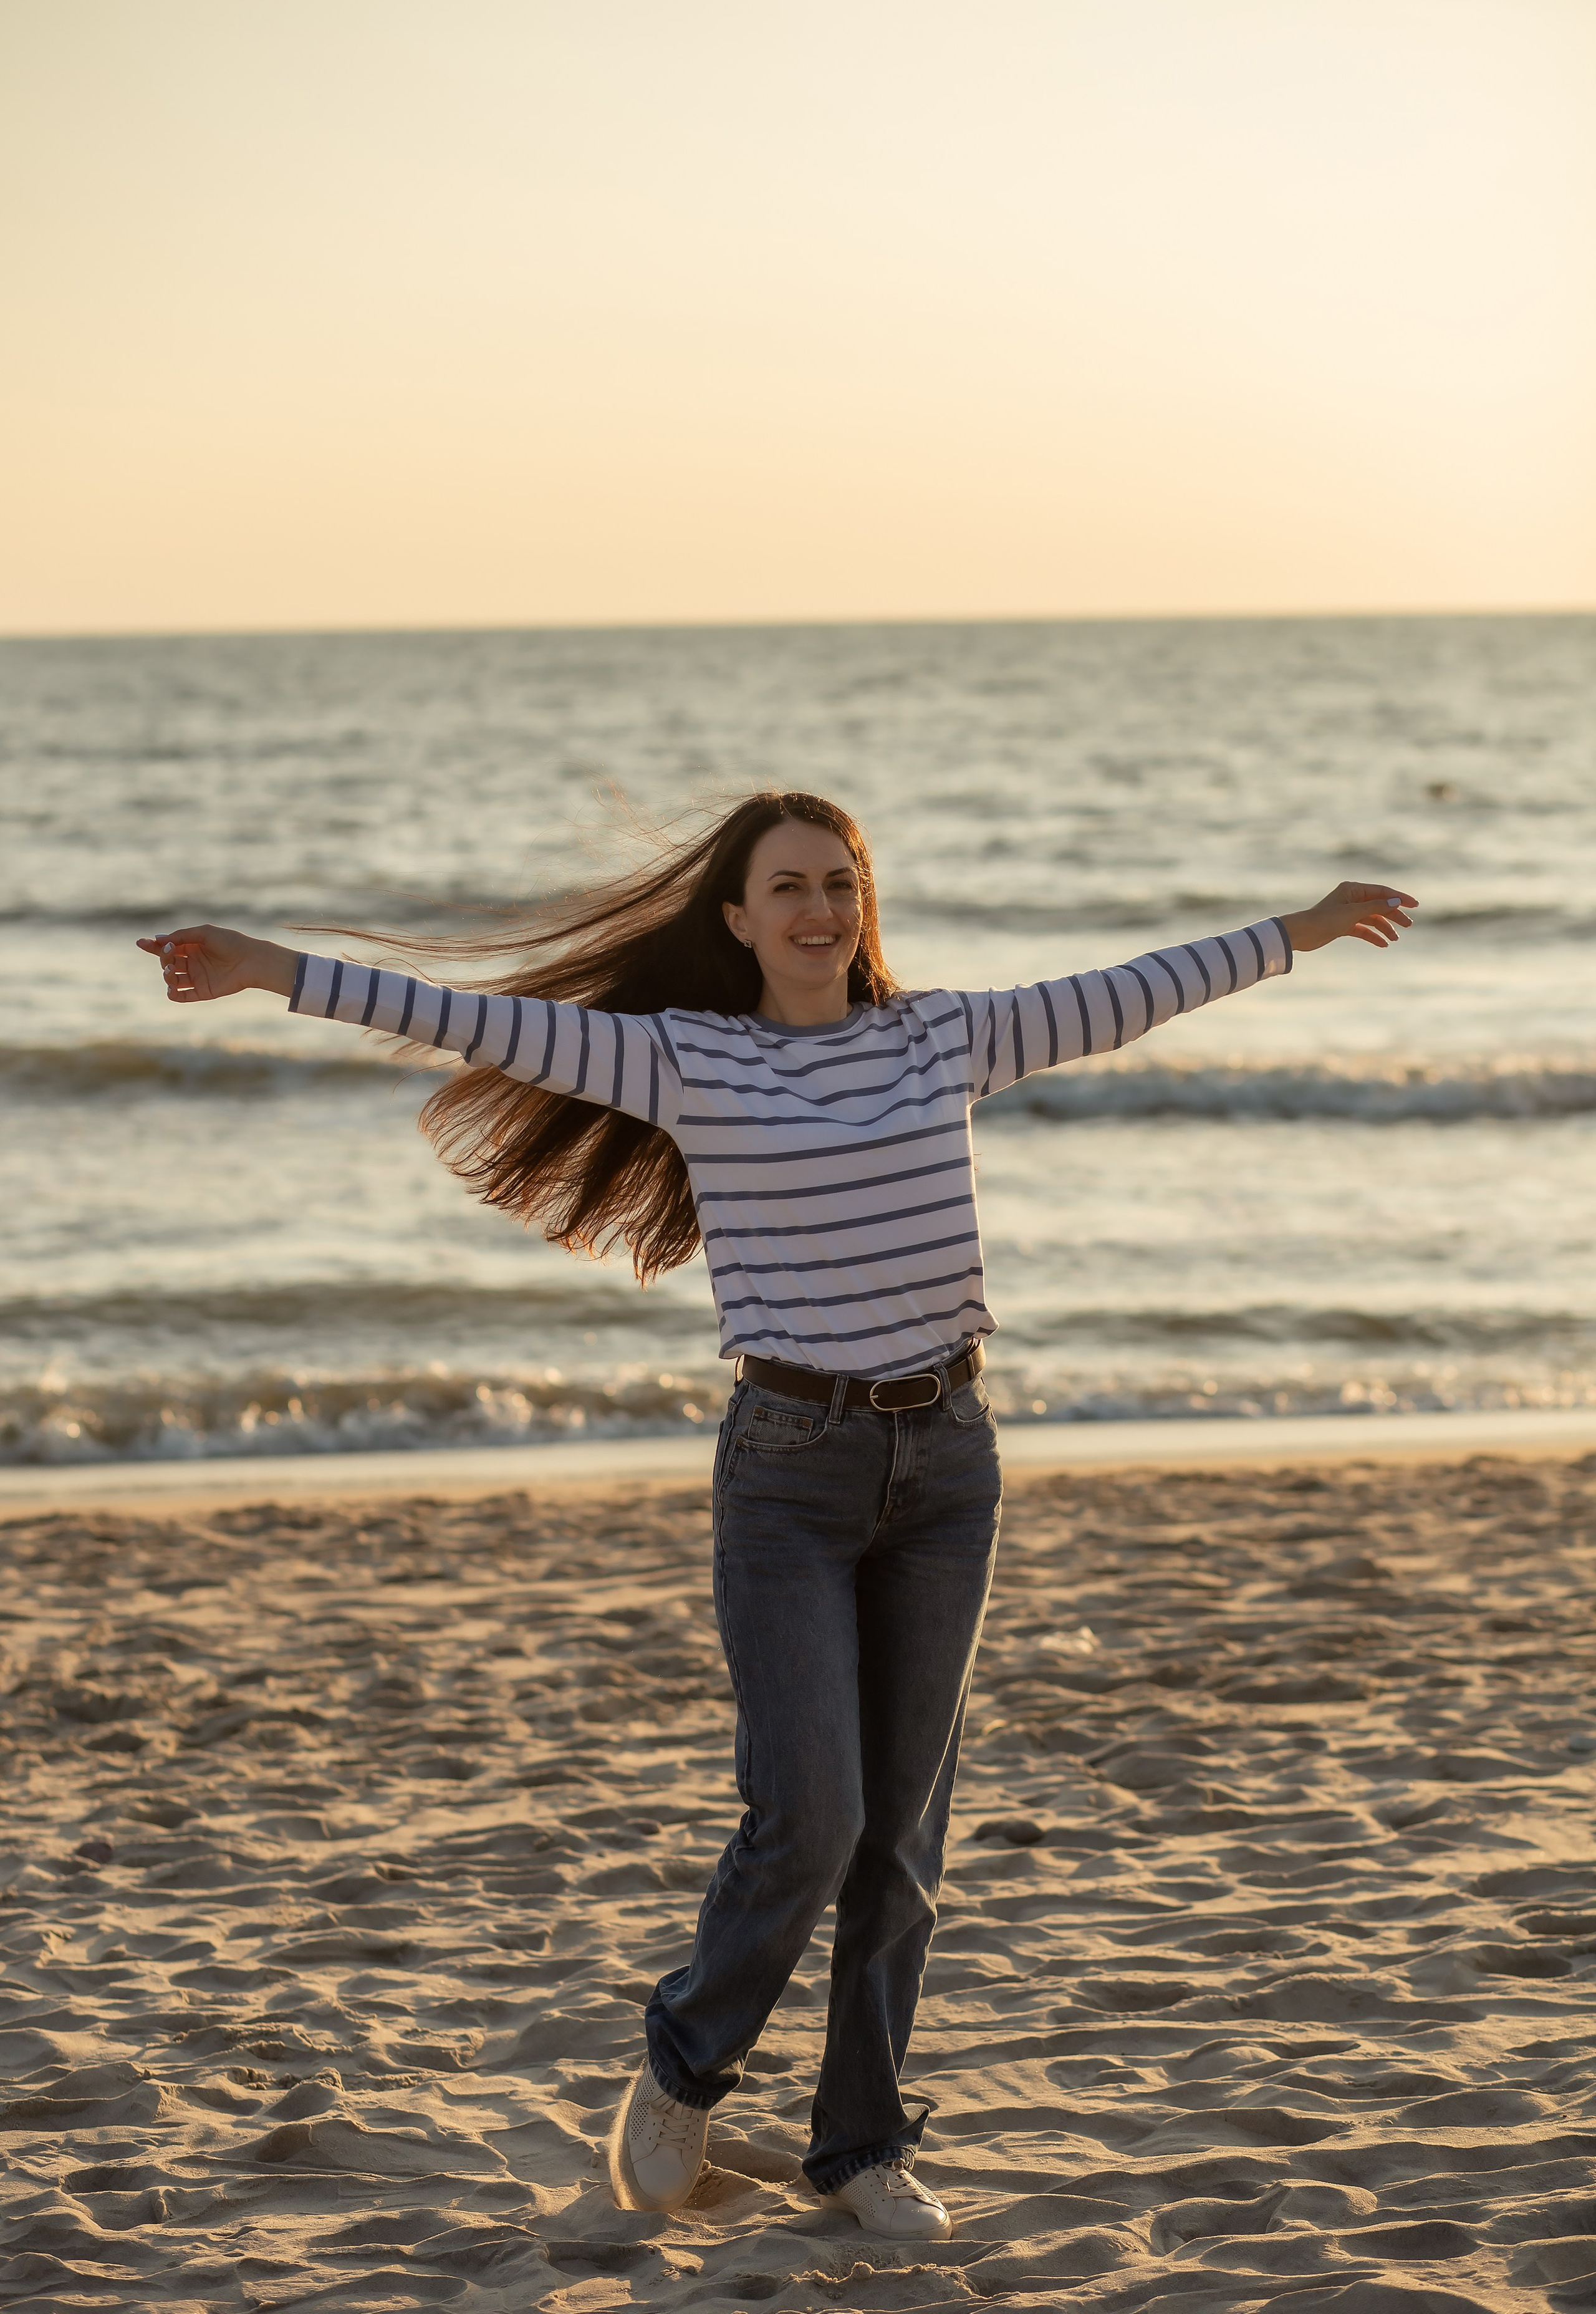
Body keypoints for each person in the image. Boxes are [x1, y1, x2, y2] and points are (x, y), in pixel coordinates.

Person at [139, 790, 1415, 2239]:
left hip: (946, 1464)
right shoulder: (685, 1060)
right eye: (787, 888)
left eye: (839, 884)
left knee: (900, 1844)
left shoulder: (945, 1035)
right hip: (786, 1471)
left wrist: (1300, 931)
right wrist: (268, 965)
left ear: (861, 905)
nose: (818, 910)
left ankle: (860, 2146)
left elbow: (1125, 994)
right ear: (736, 919)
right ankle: (686, 2063)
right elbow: (466, 1020)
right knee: (810, 1813)